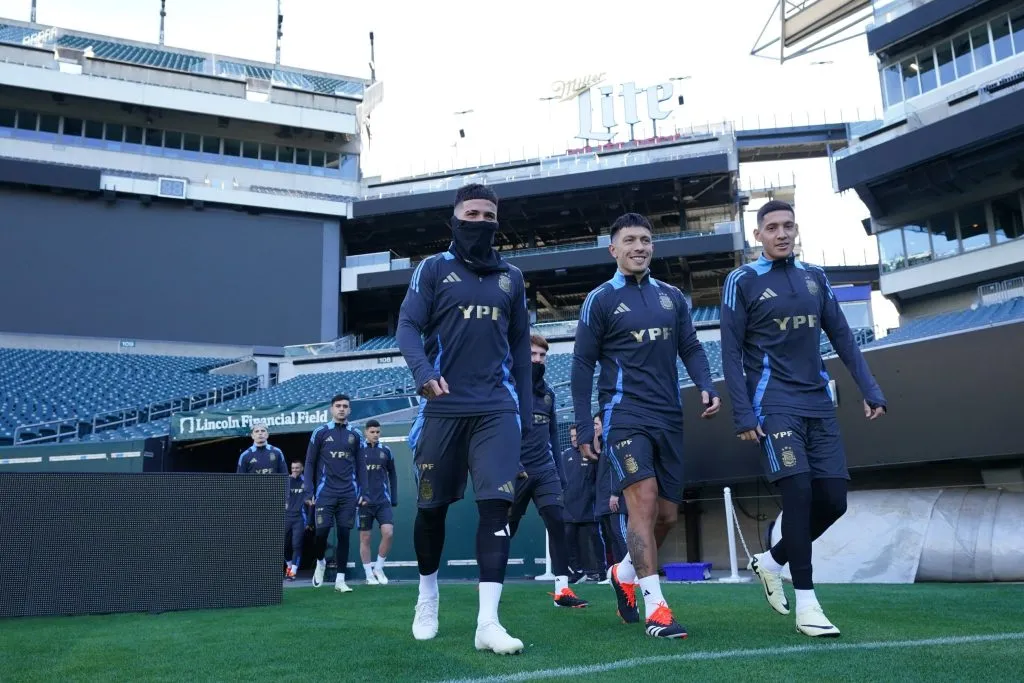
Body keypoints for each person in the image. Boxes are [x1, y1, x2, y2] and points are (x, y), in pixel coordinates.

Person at [720, 199, 887, 638]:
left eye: (788, 226)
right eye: (772, 227)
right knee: (797, 493)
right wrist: (743, 414)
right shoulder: (742, 281)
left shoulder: (815, 277)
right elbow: (730, 354)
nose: (781, 233)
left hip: (818, 404)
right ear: (758, 235)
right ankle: (808, 605)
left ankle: (772, 560)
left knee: (833, 501)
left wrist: (870, 388)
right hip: (773, 405)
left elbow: (843, 336)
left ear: (796, 230)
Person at [396, 183, 532, 654]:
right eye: (471, 214)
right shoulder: (433, 269)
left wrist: (525, 420)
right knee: (431, 510)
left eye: (488, 215)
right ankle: (427, 595)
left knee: (496, 507)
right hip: (443, 406)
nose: (480, 222)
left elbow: (520, 349)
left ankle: (487, 623)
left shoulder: (512, 278)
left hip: (496, 407)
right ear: (454, 219)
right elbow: (407, 326)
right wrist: (423, 373)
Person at [571, 212, 721, 640]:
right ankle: (658, 609)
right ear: (613, 250)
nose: (639, 247)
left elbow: (690, 346)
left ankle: (623, 573)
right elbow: (582, 364)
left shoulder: (672, 297)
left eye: (645, 240)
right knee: (644, 501)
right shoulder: (600, 300)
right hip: (624, 415)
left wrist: (706, 384)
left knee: (667, 515)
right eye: (630, 240)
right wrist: (584, 424)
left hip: (668, 416)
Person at [507, 334, 588, 609]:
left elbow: (553, 434)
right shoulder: (508, 390)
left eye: (542, 356)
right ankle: (490, 581)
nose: (538, 360)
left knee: (557, 522)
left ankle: (562, 590)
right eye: (532, 354)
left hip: (545, 470)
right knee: (507, 527)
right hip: (515, 470)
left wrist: (560, 474)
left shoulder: (549, 394)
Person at [303, 394, 368, 593]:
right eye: (338, 406)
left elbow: (361, 465)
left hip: (348, 493)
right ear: (332, 409)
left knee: (344, 535)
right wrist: (309, 490)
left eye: (345, 406)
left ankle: (340, 580)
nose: (341, 409)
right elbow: (310, 462)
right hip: (325, 492)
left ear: (349, 410)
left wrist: (364, 491)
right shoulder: (320, 432)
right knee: (321, 533)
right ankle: (320, 561)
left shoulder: (356, 434)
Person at [560, 425, 603, 584]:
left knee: (596, 537)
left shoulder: (592, 453)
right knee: (568, 538)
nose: (573, 439)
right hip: (569, 507)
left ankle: (602, 572)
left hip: (590, 506)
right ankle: (577, 571)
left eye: (576, 436)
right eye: (571, 436)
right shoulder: (565, 455)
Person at [358, 419, 397, 585]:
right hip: (364, 503)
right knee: (365, 538)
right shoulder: (358, 451)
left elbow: (393, 474)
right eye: (372, 432)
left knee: (388, 533)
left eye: (377, 432)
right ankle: (368, 574)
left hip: (382, 501)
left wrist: (394, 497)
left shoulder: (386, 451)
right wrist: (357, 496)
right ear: (365, 432)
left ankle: (379, 568)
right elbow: (351, 475)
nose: (375, 434)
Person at [593, 414, 628, 577]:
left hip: (616, 499)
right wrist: (596, 434)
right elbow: (595, 450)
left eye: (596, 424)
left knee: (621, 536)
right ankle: (621, 575)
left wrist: (615, 493)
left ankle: (634, 573)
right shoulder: (603, 444)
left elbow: (619, 469)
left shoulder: (614, 441)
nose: (594, 427)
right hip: (604, 500)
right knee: (612, 539)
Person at [285, 460, 312, 580]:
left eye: (297, 468)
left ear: (302, 469)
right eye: (293, 468)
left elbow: (311, 503)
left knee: (296, 545)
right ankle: (289, 566)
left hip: (300, 518)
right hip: (286, 517)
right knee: (283, 545)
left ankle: (293, 572)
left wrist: (310, 521)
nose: (294, 470)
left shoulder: (307, 482)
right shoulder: (286, 481)